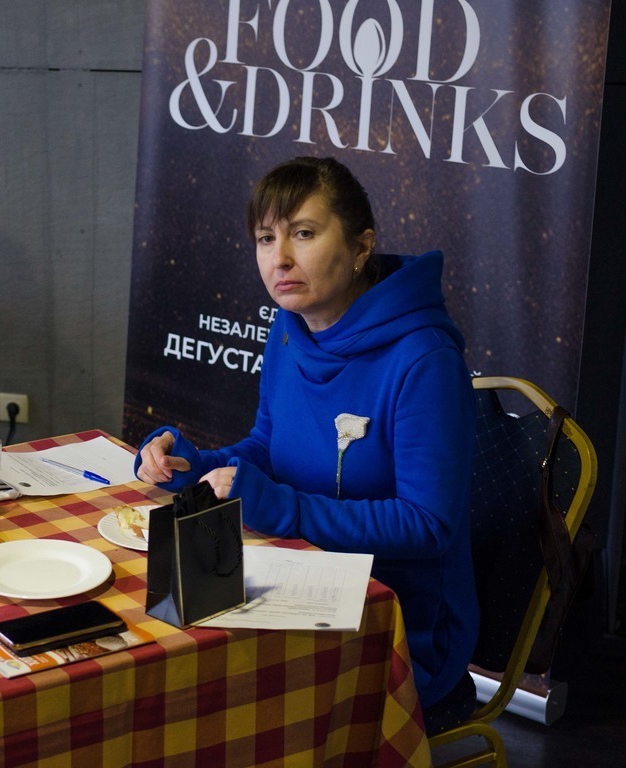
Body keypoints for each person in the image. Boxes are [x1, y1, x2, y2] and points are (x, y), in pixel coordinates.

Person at [135, 156, 479, 719]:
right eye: (265, 238)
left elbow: (428, 525)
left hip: (394, 625)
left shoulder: (425, 360)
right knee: (158, 644)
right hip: (297, 579)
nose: (280, 259)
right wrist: (196, 466)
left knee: (215, 694)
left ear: (362, 246)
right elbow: (269, 446)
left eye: (303, 233)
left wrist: (287, 510)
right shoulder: (289, 328)